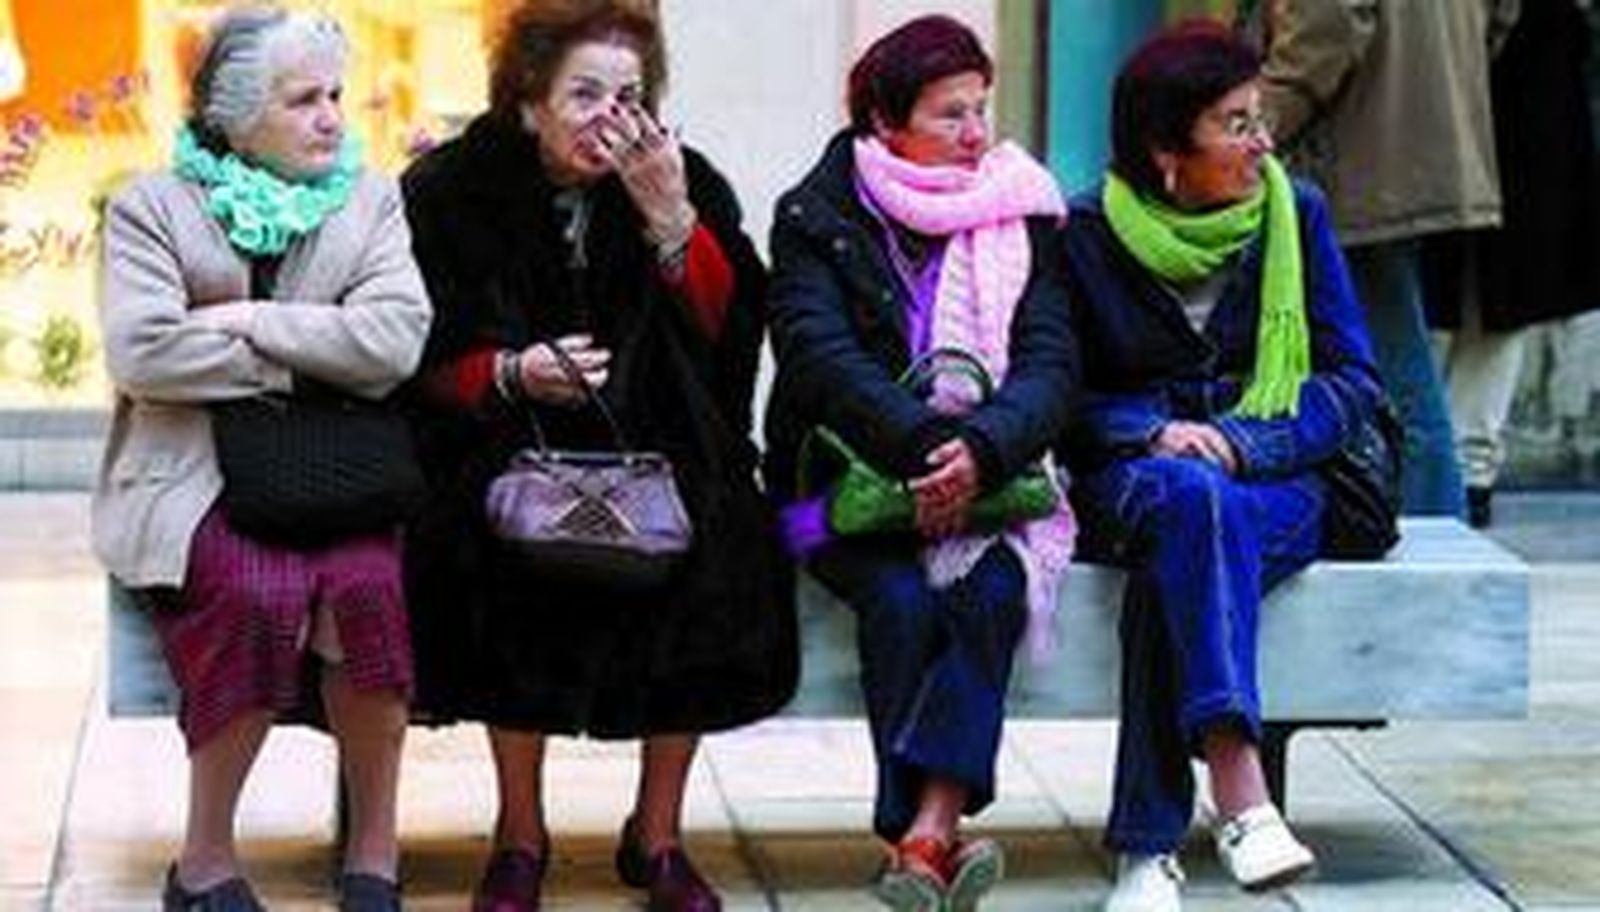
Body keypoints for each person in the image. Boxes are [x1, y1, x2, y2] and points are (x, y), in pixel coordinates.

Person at [399, 2, 794, 910]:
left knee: (721, 535)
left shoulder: (682, 178)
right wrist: (508, 372)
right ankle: (519, 835)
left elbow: (730, 335)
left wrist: (671, 223)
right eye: (583, 95)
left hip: (658, 442)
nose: (610, 119)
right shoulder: (449, 190)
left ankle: (656, 837)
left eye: (629, 97)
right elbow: (411, 352)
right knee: (490, 547)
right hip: (502, 438)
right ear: (527, 100)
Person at [94, 6, 431, 911]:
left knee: (365, 591)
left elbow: (395, 340)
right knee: (257, 592)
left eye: (335, 95)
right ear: (238, 118)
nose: (331, 118)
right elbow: (144, 352)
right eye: (303, 99)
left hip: (336, 473)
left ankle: (374, 853)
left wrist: (246, 322)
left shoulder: (369, 200)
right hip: (194, 475)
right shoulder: (150, 206)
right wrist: (313, 357)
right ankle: (203, 860)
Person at [1055, 23, 1384, 912]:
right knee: (1189, 502)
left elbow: (1351, 379)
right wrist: (1152, 431)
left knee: (1192, 530)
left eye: (1259, 119)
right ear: (1166, 150)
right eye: (1236, 125)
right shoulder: (1086, 232)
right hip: (1135, 480)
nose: (1262, 143)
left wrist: (1243, 442)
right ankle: (1241, 794)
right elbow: (1061, 391)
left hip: (1278, 483)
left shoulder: (1295, 213)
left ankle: (1147, 852)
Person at [764, 15, 1078, 911]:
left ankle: (925, 835)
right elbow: (818, 358)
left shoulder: (1022, 210)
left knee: (991, 592)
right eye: (950, 115)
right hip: (817, 502)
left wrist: (980, 451)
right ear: (883, 120)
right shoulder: (815, 215)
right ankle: (925, 831)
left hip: (994, 492)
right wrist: (928, 450)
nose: (977, 133)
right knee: (899, 599)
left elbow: (1053, 365)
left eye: (981, 109)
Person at [1252, 0, 1520, 518]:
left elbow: (1323, 33)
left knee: (1399, 384)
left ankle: (1439, 542)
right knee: (1396, 373)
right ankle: (1432, 533)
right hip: (1413, 141)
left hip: (1360, 154)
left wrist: (1245, 124)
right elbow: (1502, 17)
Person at [1422, 0, 1600, 526]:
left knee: (1504, 291)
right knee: (1439, 288)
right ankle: (1458, 466)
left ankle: (1466, 468)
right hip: (1458, 82)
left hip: (1523, 86)